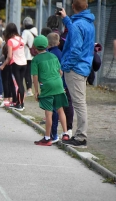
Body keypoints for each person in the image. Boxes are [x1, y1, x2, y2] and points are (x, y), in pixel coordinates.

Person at [59, 0, 95, 148]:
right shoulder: (88, 22)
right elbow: (75, 32)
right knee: (80, 102)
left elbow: (75, 48)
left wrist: (66, 66)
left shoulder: (78, 24)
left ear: (73, 6)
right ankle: (80, 135)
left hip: (76, 68)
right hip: (84, 65)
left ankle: (81, 137)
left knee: (79, 103)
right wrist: (66, 19)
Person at [31, 35, 69, 146]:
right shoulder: (53, 56)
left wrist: (36, 91)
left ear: (35, 47)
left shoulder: (36, 60)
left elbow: (35, 77)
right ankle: (66, 134)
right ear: (47, 45)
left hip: (47, 87)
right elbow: (60, 72)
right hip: (58, 84)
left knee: (49, 114)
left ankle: (47, 138)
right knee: (60, 110)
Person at [0, 23, 27, 111]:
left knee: (17, 85)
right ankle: (20, 103)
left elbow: (9, 56)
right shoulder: (21, 39)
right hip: (24, 63)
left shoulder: (10, 41)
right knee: (20, 84)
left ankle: (19, 104)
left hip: (15, 64)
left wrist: (3, 65)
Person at [22, 16, 38, 97]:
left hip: (27, 54)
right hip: (34, 54)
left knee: (26, 73)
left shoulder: (25, 32)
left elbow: (23, 43)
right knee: (31, 72)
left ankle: (29, 89)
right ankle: (30, 89)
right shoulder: (35, 30)